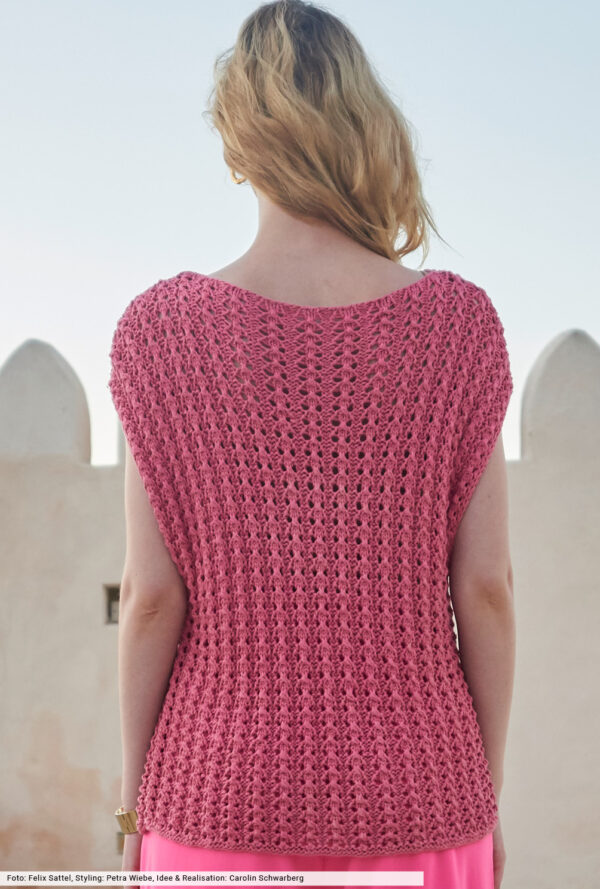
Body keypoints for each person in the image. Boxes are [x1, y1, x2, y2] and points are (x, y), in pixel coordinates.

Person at [109, 2, 516, 887]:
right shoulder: (459, 327)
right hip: (424, 801)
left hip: (214, 805)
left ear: (239, 145)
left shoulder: (160, 334)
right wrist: (482, 794)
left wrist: (133, 808)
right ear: (366, 126)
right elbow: (485, 588)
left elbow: (149, 600)